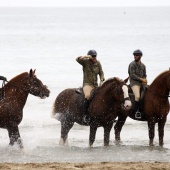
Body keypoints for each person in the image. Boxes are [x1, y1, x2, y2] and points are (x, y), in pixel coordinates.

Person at [76, 49, 105, 123]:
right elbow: (77, 59)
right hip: (87, 84)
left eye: (95, 56)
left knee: (103, 96)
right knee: (88, 96)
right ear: (89, 57)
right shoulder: (85, 62)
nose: (94, 57)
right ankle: (85, 115)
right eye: (92, 56)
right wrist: (85, 56)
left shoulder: (98, 63)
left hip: (95, 84)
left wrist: (102, 79)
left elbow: (101, 72)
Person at [128, 49, 147, 119]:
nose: (135, 56)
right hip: (134, 83)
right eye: (134, 55)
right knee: (138, 96)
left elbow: (145, 74)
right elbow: (132, 75)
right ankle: (136, 111)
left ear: (140, 56)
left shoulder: (143, 66)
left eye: (137, 55)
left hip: (142, 83)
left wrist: (144, 79)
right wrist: (141, 79)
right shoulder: (132, 64)